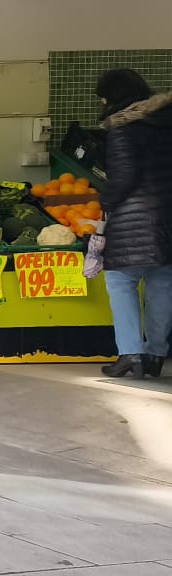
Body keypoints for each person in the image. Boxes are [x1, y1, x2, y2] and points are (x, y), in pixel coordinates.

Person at [97, 67, 172, 379]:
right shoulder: (167, 122)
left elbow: (124, 176)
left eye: (103, 98)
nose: (101, 104)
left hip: (133, 218)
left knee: (121, 282)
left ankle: (130, 353)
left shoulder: (123, 128)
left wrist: (105, 202)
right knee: (162, 283)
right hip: (168, 214)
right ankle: (156, 354)